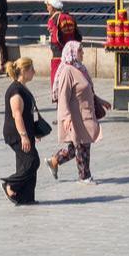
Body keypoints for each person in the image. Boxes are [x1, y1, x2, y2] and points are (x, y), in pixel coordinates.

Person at [48, 41, 105, 184]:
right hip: (75, 115)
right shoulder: (67, 71)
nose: (83, 53)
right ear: (72, 53)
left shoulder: (80, 69)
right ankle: (84, 176)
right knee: (82, 145)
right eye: (80, 51)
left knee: (77, 147)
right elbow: (63, 96)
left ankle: (54, 161)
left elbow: (87, 89)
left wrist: (100, 100)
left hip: (85, 114)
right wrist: (66, 117)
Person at [2, 58, 40, 205]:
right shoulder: (15, 90)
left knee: (24, 163)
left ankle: (26, 197)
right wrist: (24, 136)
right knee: (32, 161)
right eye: (32, 69)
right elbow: (16, 114)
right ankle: (10, 185)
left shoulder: (22, 87)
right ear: (24, 71)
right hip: (16, 134)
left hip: (26, 132)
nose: (34, 72)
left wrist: (32, 132)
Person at [45, 0, 79, 86]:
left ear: (52, 7)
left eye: (48, 5)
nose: (47, 8)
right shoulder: (70, 17)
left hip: (58, 55)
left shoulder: (53, 20)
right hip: (72, 55)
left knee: (57, 81)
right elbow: (78, 36)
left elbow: (56, 39)